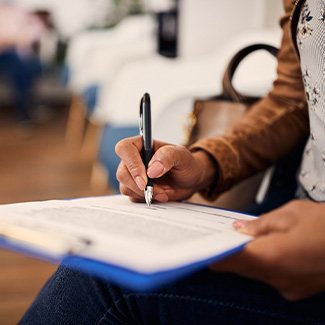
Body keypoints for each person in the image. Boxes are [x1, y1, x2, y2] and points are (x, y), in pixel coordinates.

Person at [20, 0, 325, 323]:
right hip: (293, 209)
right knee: (111, 261)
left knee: (104, 283)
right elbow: (293, 98)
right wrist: (205, 162)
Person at [0, 4, 44, 123]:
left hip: (17, 56)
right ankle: (25, 114)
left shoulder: (21, 12)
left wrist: (19, 39)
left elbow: (38, 29)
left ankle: (24, 114)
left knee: (21, 70)